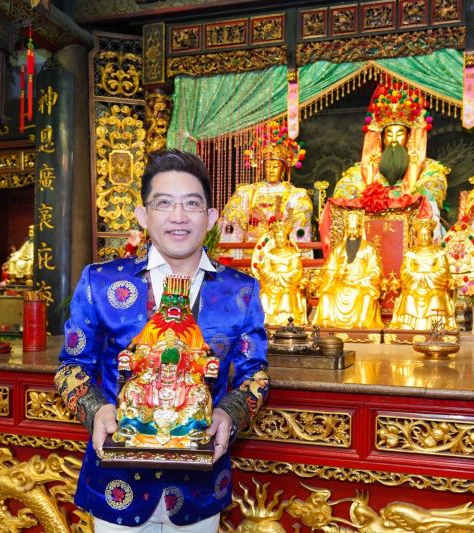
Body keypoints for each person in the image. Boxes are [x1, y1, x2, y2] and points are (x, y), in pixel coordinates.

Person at [55, 149, 269, 532]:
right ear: (143, 215)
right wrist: (96, 411)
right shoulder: (101, 282)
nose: (178, 216)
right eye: (164, 203)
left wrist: (229, 414)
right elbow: (71, 366)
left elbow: (255, 373)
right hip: (117, 485)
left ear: (211, 217)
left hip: (200, 486)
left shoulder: (240, 290)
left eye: (192, 203)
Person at [332, 82, 450, 234]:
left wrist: (396, 199)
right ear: (382, 138)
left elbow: (432, 191)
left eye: (399, 134)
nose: (394, 139)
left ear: (408, 138)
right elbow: (344, 191)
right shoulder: (363, 171)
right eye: (389, 134)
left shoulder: (428, 169)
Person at [219, 120, 313, 256]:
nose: (271, 170)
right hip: (250, 252)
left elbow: (299, 228)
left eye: (276, 166)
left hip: (280, 254)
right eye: (268, 166)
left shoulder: (295, 194)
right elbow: (233, 222)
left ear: (283, 169)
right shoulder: (247, 192)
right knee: (235, 205)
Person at [313, 209, 383, 329]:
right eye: (349, 229)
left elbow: (376, 270)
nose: (352, 232)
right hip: (340, 283)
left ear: (360, 229)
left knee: (367, 296)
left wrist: (361, 280)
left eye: (355, 228)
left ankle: (362, 322)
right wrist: (336, 273)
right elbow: (329, 268)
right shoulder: (338, 248)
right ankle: (327, 320)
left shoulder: (369, 248)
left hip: (361, 284)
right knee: (326, 295)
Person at [389, 218, 456, 332]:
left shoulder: (438, 252)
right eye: (421, 235)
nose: (424, 238)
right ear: (417, 237)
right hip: (414, 286)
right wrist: (419, 278)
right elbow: (405, 271)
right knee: (409, 297)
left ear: (431, 236)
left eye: (427, 235)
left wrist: (425, 278)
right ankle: (407, 324)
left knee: (435, 298)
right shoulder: (411, 252)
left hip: (434, 287)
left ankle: (436, 324)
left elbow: (444, 271)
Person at [251, 219, 307, 326]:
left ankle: (285, 321)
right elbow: (264, 270)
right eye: (277, 237)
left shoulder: (293, 253)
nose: (279, 240)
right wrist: (273, 277)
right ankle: (265, 322)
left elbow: (297, 271)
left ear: (287, 238)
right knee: (264, 295)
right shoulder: (270, 253)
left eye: (282, 237)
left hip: (288, 285)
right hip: (271, 284)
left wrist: (281, 277)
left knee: (286, 295)